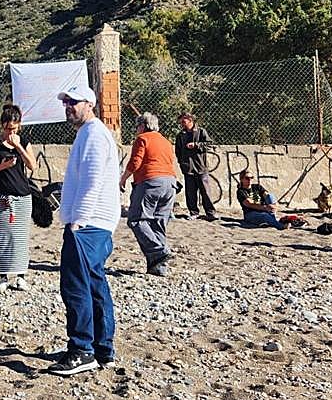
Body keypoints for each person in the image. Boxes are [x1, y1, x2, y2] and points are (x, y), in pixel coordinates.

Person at [49, 85, 121, 377]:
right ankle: (102, 348)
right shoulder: (92, 134)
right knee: (94, 285)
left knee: (76, 286)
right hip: (96, 224)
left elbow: (92, 181)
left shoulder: (92, 135)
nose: (68, 106)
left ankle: (81, 349)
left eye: (73, 102)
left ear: (89, 104)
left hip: (88, 225)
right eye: (66, 101)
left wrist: (78, 220)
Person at [0, 104, 36, 291]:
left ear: (19, 126)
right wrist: (3, 166)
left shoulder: (25, 142)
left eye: (14, 128)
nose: (10, 131)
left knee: (20, 238)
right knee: (1, 236)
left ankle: (21, 275)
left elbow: (32, 166)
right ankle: (3, 275)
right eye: (7, 128)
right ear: (2, 126)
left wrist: (18, 146)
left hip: (21, 195)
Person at [119, 112, 178, 276]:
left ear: (143, 126)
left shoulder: (142, 139)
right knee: (158, 223)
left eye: (138, 126)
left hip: (150, 182)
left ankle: (159, 251)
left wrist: (123, 179)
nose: (136, 130)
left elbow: (135, 162)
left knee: (136, 220)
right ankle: (158, 267)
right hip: (170, 183)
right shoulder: (166, 141)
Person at [175, 112, 216, 220]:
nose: (182, 124)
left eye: (184, 122)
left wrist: (196, 145)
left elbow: (209, 144)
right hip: (188, 168)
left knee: (205, 191)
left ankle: (210, 212)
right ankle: (193, 212)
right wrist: (181, 163)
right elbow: (177, 151)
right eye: (181, 122)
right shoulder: (180, 135)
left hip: (200, 166)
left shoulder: (201, 131)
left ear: (190, 120)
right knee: (190, 192)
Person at [236, 171, 303, 229]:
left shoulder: (257, 187)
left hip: (265, 210)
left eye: (251, 178)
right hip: (250, 214)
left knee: (270, 196)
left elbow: (266, 195)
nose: (249, 180)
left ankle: (272, 218)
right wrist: (265, 207)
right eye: (247, 178)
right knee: (265, 216)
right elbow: (249, 204)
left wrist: (274, 205)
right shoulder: (241, 191)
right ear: (241, 179)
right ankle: (280, 226)